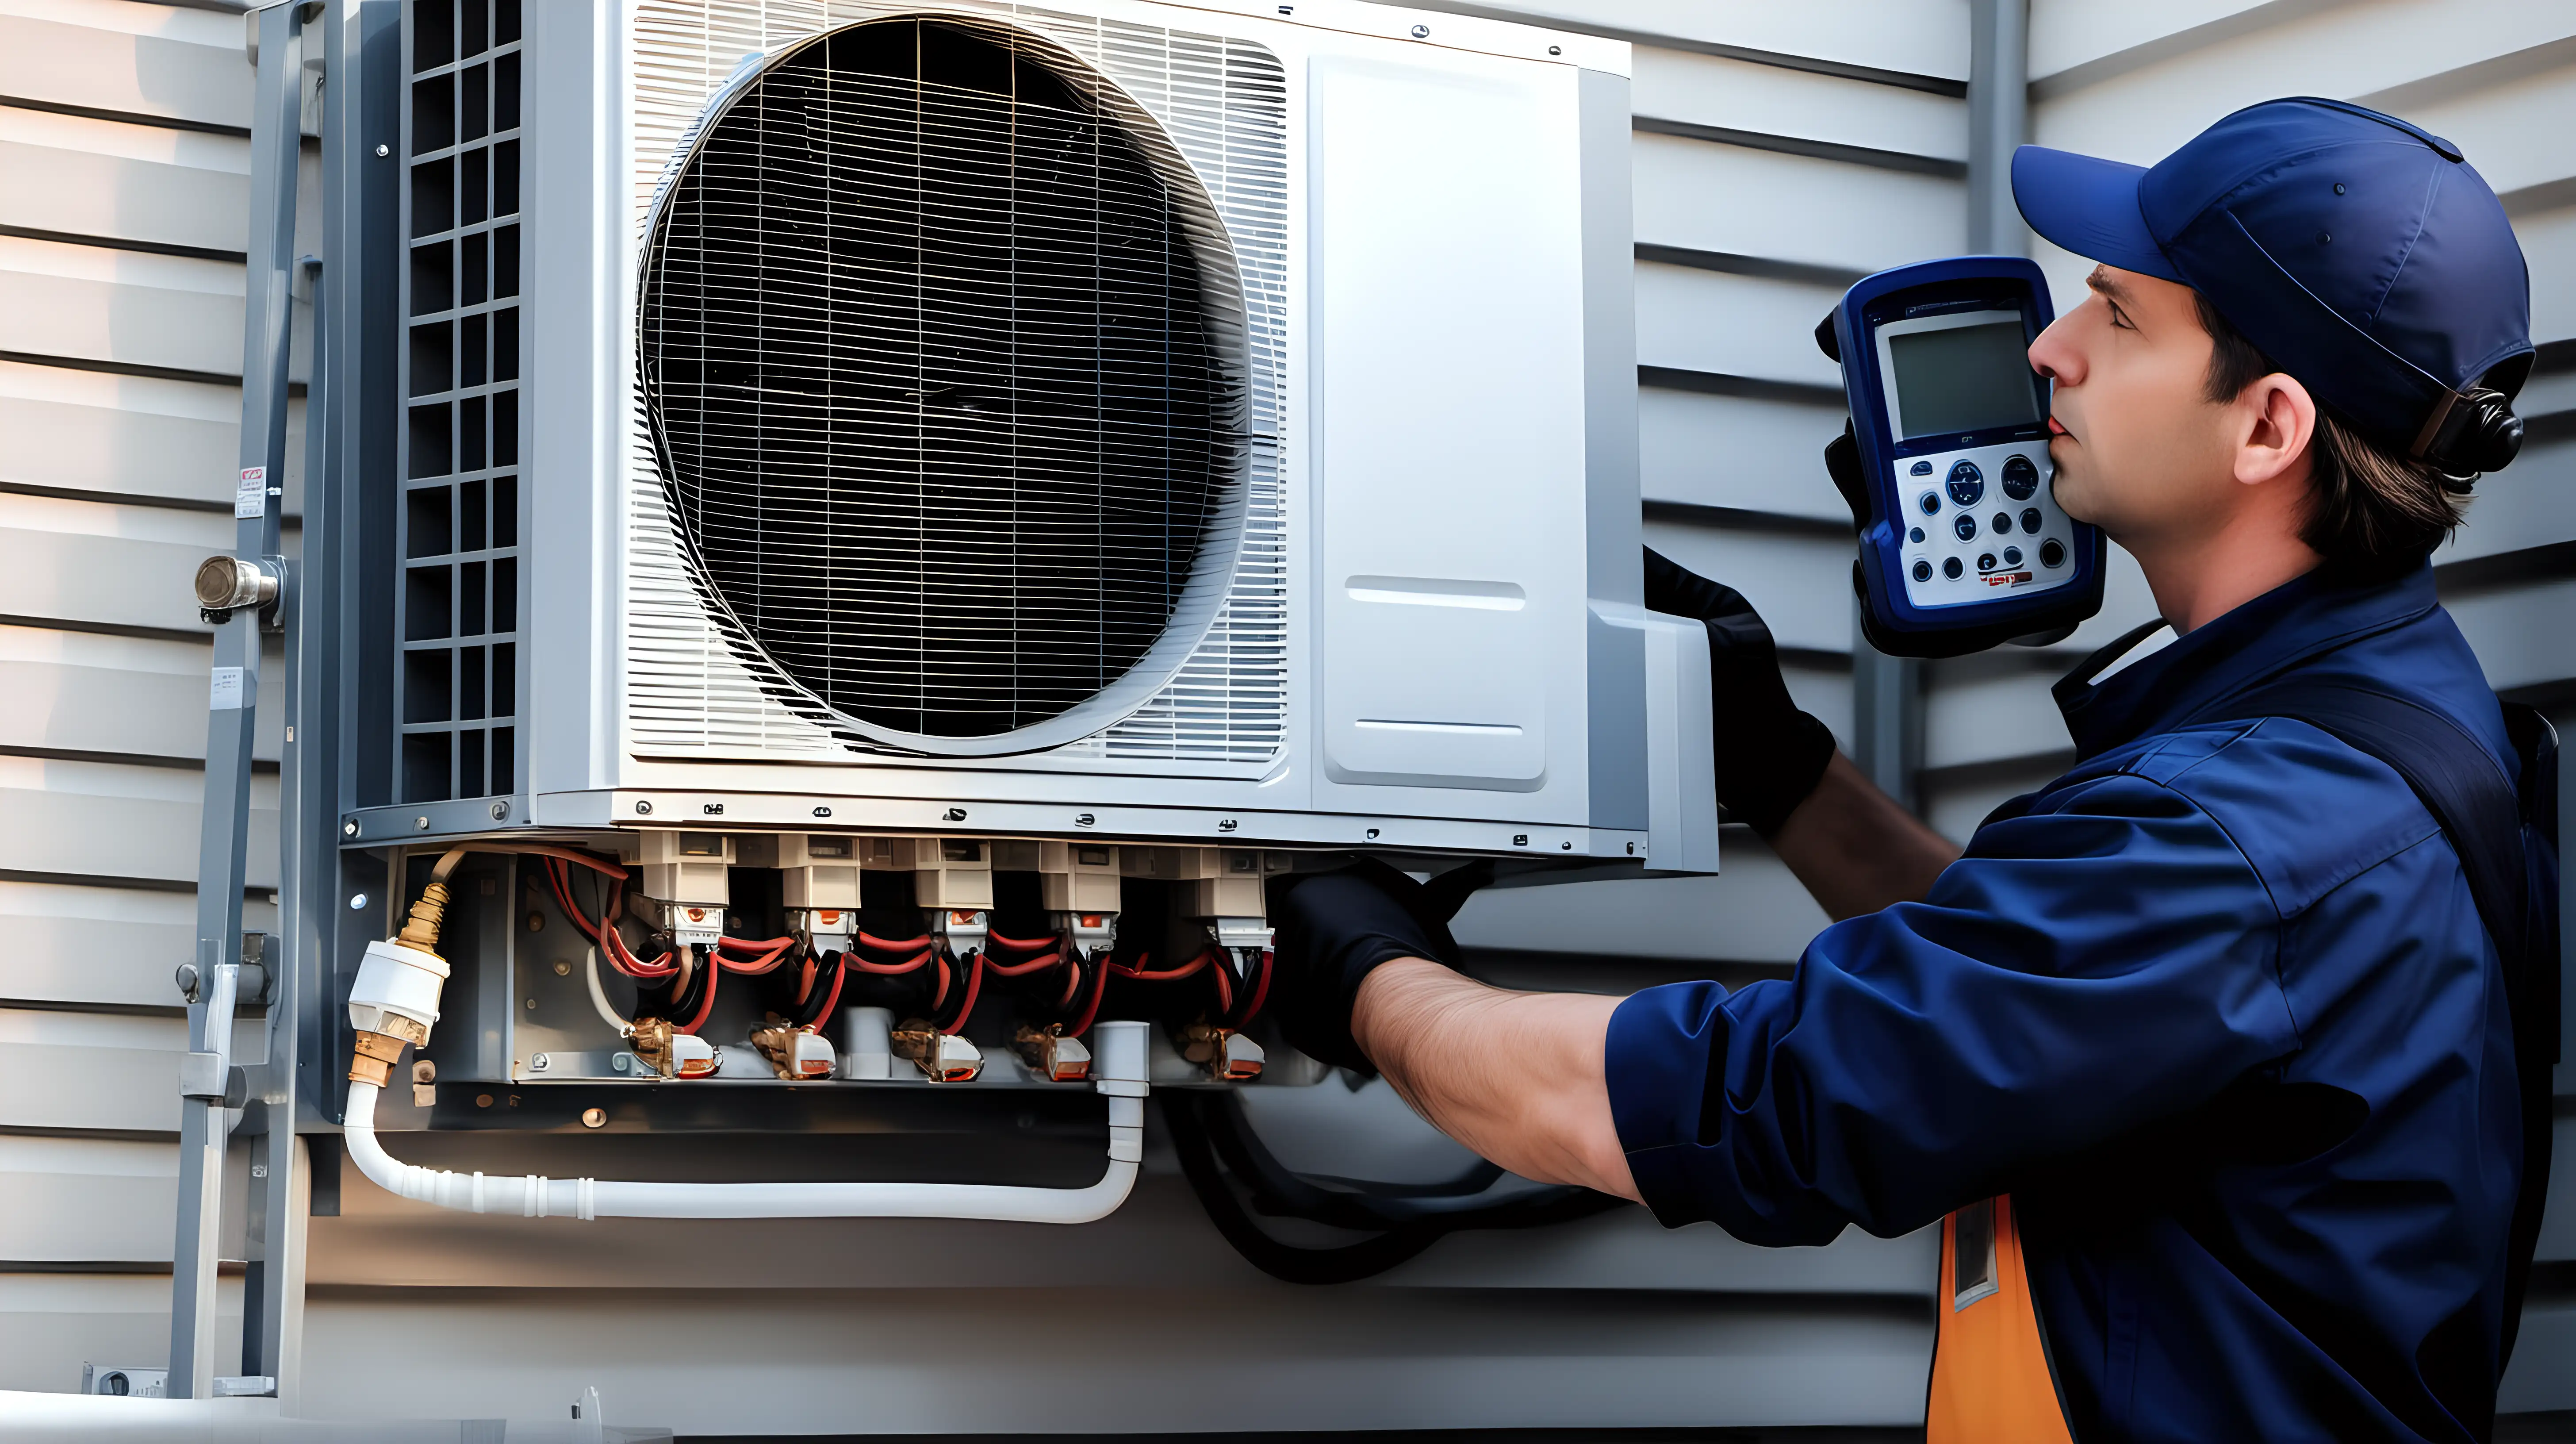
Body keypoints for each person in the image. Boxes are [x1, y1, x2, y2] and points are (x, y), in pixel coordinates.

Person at [1266, 98, 2549, 1444]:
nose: (2048, 350)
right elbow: (2061, 998)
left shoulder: (2243, 832)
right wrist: (1784, 771)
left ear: (2268, 428)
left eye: (2114, 317)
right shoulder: (2397, 728)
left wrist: (1365, 976)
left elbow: (1700, 1106)